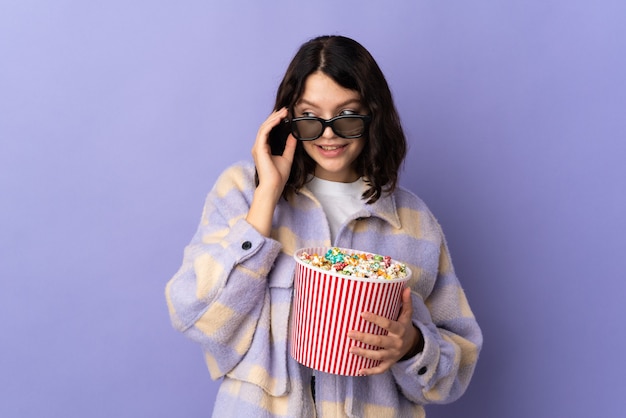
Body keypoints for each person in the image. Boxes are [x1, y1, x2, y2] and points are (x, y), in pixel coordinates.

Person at [165, 35, 482, 418]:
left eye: (346, 116)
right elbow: (199, 318)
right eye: (310, 117)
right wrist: (267, 197)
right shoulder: (242, 192)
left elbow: (457, 365)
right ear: (287, 118)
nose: (328, 134)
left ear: (372, 116)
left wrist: (413, 345)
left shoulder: (413, 222)